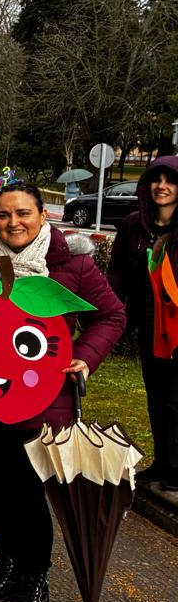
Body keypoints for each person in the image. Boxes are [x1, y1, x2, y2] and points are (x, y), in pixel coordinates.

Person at [0, 183, 124, 602]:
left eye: (23, 213)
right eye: (5, 215)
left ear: (42, 217)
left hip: (42, 398)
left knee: (28, 492)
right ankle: (7, 570)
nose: (14, 223)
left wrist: (84, 358)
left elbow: (112, 315)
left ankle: (35, 580)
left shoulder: (72, 265)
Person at [107, 156, 178, 492]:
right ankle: (162, 462)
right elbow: (118, 271)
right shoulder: (134, 225)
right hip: (149, 329)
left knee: (176, 399)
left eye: (170, 180)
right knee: (157, 397)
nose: (162, 186)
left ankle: (176, 469)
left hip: (177, 330)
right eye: (156, 179)